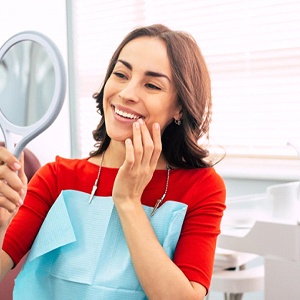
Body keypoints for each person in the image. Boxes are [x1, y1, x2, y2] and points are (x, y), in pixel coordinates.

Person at [0, 24, 226, 300]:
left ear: (180, 107)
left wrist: (128, 201)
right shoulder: (57, 177)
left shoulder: (201, 187)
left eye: (152, 84)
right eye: (121, 74)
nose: (128, 93)